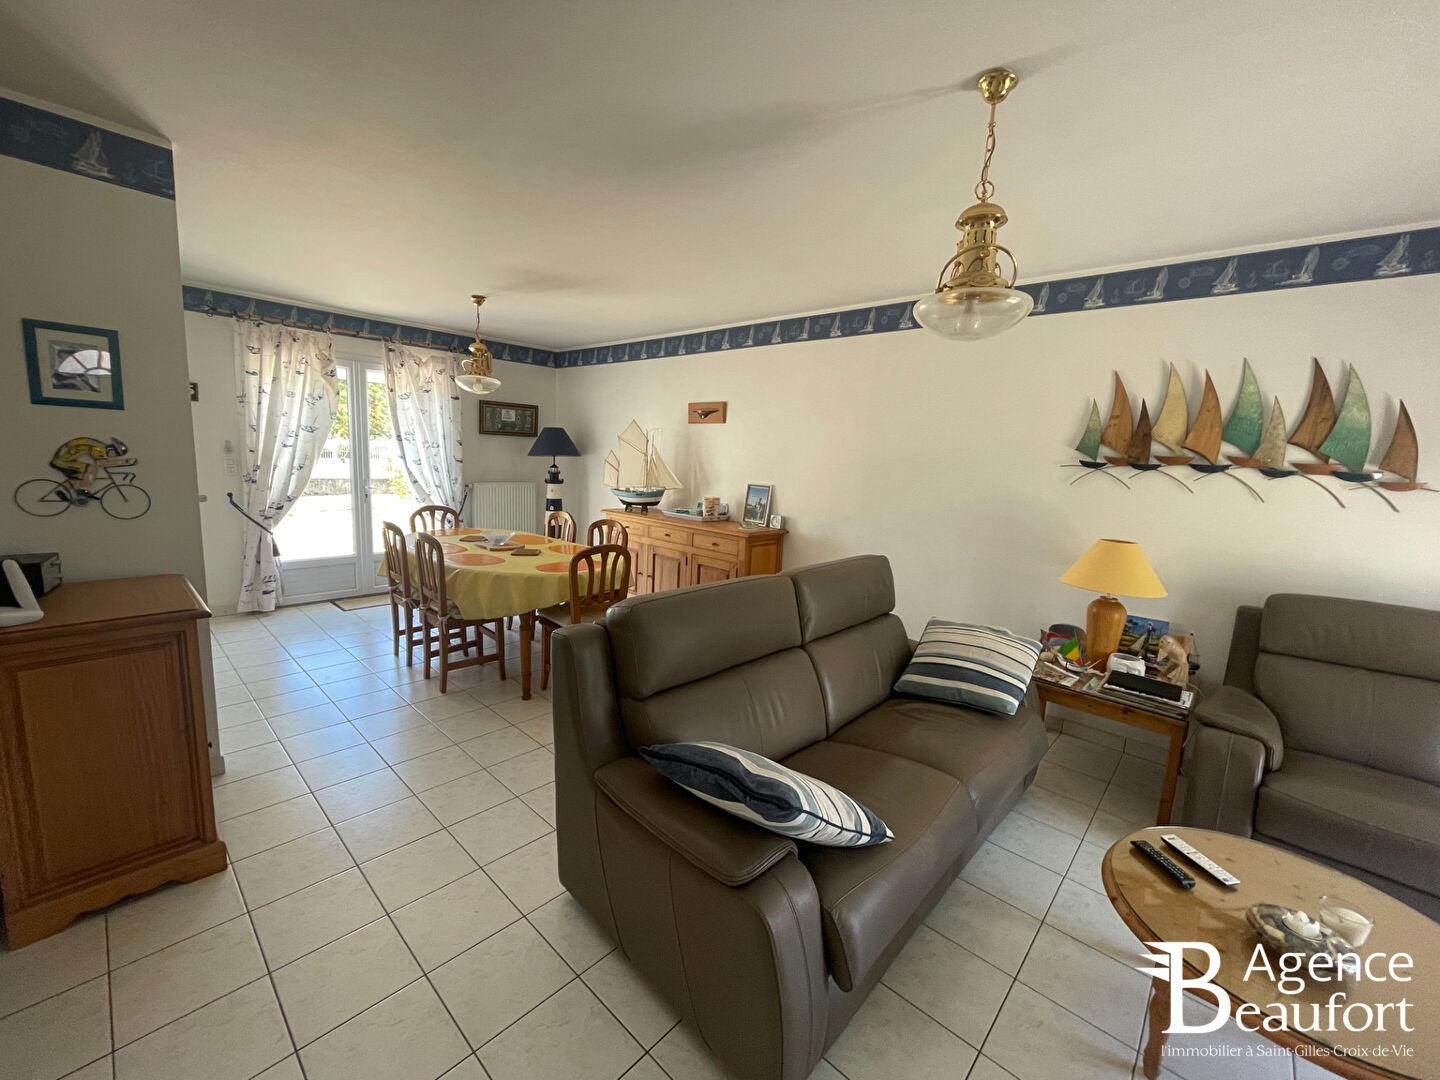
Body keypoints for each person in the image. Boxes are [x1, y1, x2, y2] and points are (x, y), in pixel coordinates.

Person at [49, 436, 131, 497]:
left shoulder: (100, 446)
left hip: (63, 458)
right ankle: (83, 490)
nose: (113, 457)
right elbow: (101, 463)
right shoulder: (99, 449)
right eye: (115, 455)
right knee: (92, 468)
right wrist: (124, 462)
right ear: (112, 450)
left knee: (77, 475)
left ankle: (62, 491)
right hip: (61, 460)